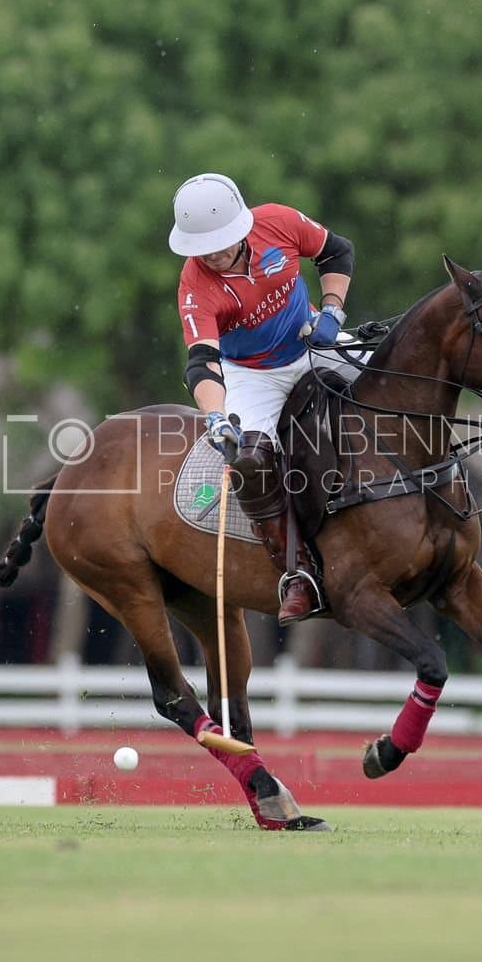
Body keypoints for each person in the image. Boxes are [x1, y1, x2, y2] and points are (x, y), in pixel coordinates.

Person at [171, 172, 358, 624]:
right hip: (251, 375)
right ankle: (297, 573)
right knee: (251, 460)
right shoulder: (196, 286)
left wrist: (332, 310)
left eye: (221, 241)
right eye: (203, 247)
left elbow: (337, 250)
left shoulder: (277, 222)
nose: (213, 254)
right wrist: (216, 418)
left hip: (312, 341)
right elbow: (201, 362)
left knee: (395, 380)